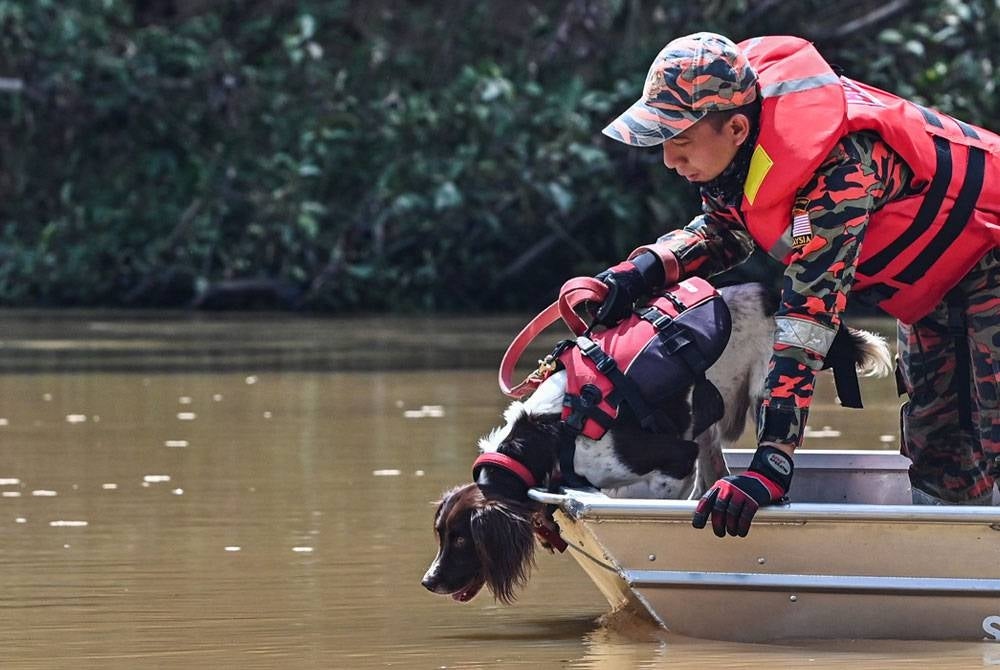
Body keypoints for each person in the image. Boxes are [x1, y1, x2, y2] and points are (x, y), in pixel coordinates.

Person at [594, 32, 1000, 537]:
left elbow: (808, 322)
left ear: (737, 127)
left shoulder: (840, 172)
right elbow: (724, 230)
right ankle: (956, 563)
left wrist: (771, 464)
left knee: (984, 428)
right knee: (938, 444)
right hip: (939, 287)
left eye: (678, 141)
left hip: (988, 269)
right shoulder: (741, 159)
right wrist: (640, 272)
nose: (668, 160)